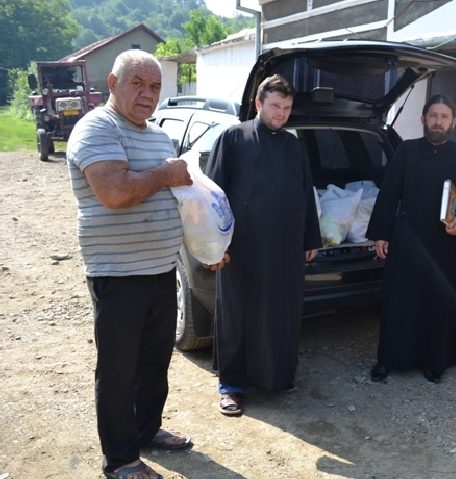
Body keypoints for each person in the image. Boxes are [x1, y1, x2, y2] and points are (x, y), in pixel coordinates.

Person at [66, 50, 193, 479]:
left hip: (161, 268)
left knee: (155, 361)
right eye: (137, 83)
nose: (147, 94)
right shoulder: (96, 128)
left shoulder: (159, 136)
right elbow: (115, 193)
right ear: (113, 84)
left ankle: (146, 429)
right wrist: (163, 175)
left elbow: (180, 195)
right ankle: (121, 458)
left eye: (155, 86)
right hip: (117, 273)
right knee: (119, 369)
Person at [206, 74, 322, 416]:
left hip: (285, 245)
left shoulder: (294, 146)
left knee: (280, 313)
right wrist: (215, 245)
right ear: (259, 104)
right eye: (275, 106)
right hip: (242, 247)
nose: (281, 113)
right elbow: (212, 197)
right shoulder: (233, 138)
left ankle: (276, 376)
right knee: (237, 313)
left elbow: (306, 192)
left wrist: (311, 238)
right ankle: (232, 386)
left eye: (287, 108)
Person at [366, 94, 456, 384]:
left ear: (453, 122)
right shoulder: (406, 151)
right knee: (399, 300)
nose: (438, 121)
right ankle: (389, 359)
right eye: (433, 115)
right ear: (423, 118)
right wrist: (381, 233)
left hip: (443, 241)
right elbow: (389, 193)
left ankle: (435, 360)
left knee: (436, 301)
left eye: (444, 116)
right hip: (406, 238)